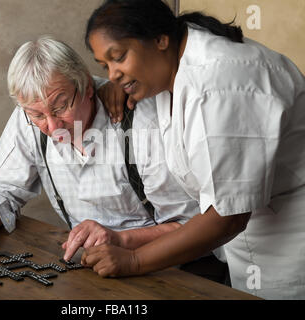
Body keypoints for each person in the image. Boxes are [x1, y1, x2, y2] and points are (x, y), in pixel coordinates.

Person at [83, 0, 305, 299]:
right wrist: (121, 81)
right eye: (105, 66)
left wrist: (134, 260)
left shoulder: (219, 84)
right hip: (248, 245)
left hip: (291, 244)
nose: (112, 74)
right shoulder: (170, 67)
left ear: (160, 38)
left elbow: (228, 217)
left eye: (118, 57)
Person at [0, 36, 204, 269]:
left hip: (168, 268)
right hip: (91, 270)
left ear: (87, 86)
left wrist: (120, 240)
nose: (52, 126)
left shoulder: (143, 123)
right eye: (37, 115)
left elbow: (194, 225)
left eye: (61, 107)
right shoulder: (29, 117)